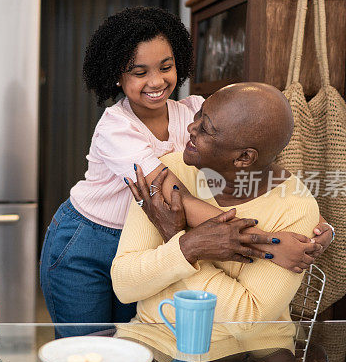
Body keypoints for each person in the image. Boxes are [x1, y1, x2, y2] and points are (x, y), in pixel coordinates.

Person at [39, 7, 331, 337]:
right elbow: (175, 196)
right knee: (87, 356)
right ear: (115, 75)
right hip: (89, 240)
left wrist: (315, 226)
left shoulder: (194, 111)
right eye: (139, 72)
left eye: (166, 67)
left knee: (125, 357)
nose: (156, 81)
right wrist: (269, 243)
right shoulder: (116, 128)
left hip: (145, 239)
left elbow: (259, 162)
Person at [111, 82, 323, 342]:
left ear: (244, 158)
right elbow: (123, 285)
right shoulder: (167, 173)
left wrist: (182, 243)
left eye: (206, 129)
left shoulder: (295, 207)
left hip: (244, 358)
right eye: (198, 115)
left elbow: (246, 321)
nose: (191, 128)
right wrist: (187, 247)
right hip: (152, 340)